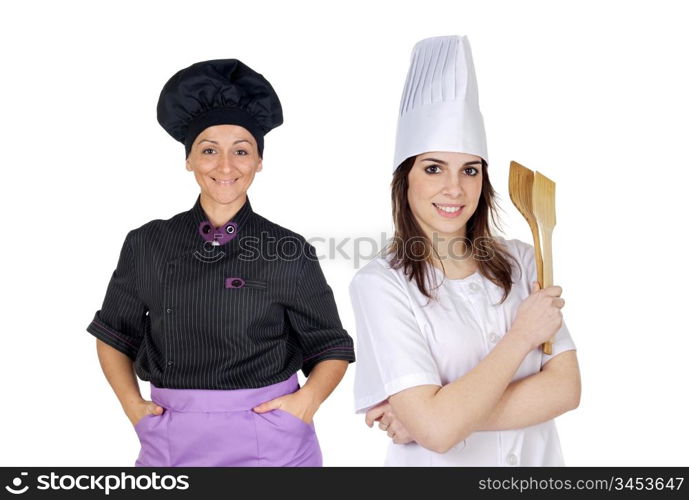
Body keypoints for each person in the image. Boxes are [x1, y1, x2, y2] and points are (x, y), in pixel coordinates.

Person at [87, 58, 355, 467]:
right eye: (209, 150)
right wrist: (131, 406)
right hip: (171, 438)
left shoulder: (287, 248)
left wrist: (305, 404)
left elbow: (331, 346)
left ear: (259, 161)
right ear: (189, 159)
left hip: (273, 442)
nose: (226, 167)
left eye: (241, 151)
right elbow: (113, 335)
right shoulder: (147, 243)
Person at [349, 36, 581, 466]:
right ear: (406, 179)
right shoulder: (380, 284)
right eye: (434, 167)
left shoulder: (523, 259)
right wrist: (522, 337)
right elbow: (436, 434)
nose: (454, 188)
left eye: (469, 170)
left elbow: (566, 390)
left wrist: (435, 415)